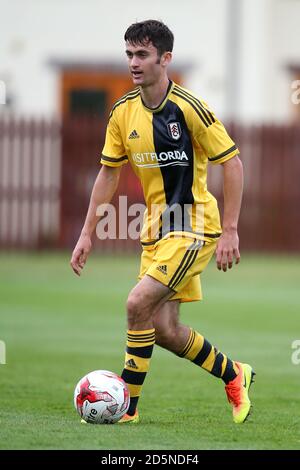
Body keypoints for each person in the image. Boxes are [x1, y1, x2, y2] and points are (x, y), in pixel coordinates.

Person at [70, 19, 255, 424]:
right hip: (155, 230)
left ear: (164, 59)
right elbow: (108, 173)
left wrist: (231, 230)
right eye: (129, 55)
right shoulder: (122, 113)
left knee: (136, 303)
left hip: (193, 227)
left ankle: (126, 409)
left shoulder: (190, 108)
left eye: (142, 55)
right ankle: (234, 373)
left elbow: (233, 163)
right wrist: (87, 234)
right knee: (164, 329)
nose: (133, 63)